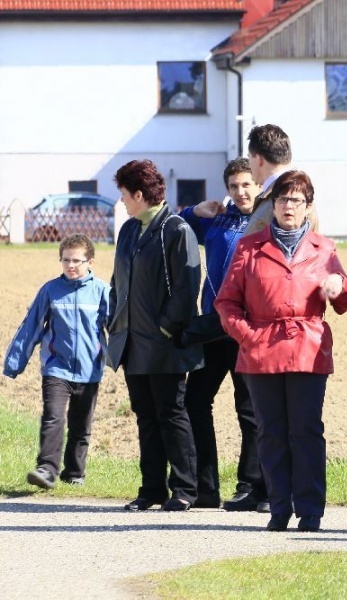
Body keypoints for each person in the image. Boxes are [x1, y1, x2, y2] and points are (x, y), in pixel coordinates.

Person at [215, 170, 347, 532]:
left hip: (308, 349)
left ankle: (310, 510)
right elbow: (227, 302)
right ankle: (279, 508)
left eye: (296, 200)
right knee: (271, 432)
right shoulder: (250, 247)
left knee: (306, 431)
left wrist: (339, 286)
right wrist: (248, 336)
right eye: (282, 199)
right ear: (272, 205)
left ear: (308, 206)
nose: (288, 206)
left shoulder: (324, 248)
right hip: (261, 350)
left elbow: (346, 300)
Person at [108, 159, 204, 511]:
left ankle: (184, 489)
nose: (121, 201)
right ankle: (151, 490)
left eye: (123, 194)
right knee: (145, 417)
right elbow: (118, 281)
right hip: (131, 343)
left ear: (139, 194)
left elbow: (186, 288)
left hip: (165, 344)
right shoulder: (128, 230)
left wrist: (165, 327)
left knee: (171, 415)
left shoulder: (176, 229)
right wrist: (114, 320)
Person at [178, 158, 268, 511]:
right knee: (194, 401)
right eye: (234, 186)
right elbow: (176, 226)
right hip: (214, 327)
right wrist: (194, 210)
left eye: (246, 184)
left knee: (249, 408)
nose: (241, 192)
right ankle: (206, 487)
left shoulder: (265, 220)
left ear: (258, 185)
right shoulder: (219, 220)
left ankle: (250, 485)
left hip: (247, 327)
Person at [3, 234, 109, 490]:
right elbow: (31, 326)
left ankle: (74, 473)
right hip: (56, 368)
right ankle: (47, 469)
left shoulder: (102, 291)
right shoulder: (50, 290)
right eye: (65, 260)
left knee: (81, 425)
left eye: (76, 260)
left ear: (90, 261)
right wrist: (14, 363)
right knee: (53, 417)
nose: (70, 265)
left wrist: (127, 361)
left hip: (89, 371)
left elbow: (117, 329)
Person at [243, 124, 294, 236]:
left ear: (259, 160)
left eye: (249, 158)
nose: (249, 165)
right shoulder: (293, 191)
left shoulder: (286, 196)